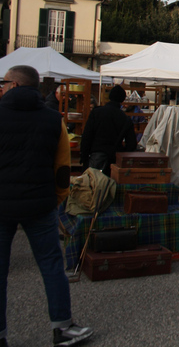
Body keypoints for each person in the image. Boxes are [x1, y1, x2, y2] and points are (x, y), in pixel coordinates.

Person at [0, 65, 93, 346]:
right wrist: (58, 197)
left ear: (14, 86)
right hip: (41, 203)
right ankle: (62, 327)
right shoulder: (53, 119)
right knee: (52, 265)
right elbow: (63, 167)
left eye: (4, 83)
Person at [80, 85, 137, 176]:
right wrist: (121, 153)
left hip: (96, 157)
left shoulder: (96, 113)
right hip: (114, 159)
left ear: (110, 97)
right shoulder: (125, 119)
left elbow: (87, 137)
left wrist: (84, 158)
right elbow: (132, 144)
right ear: (122, 100)